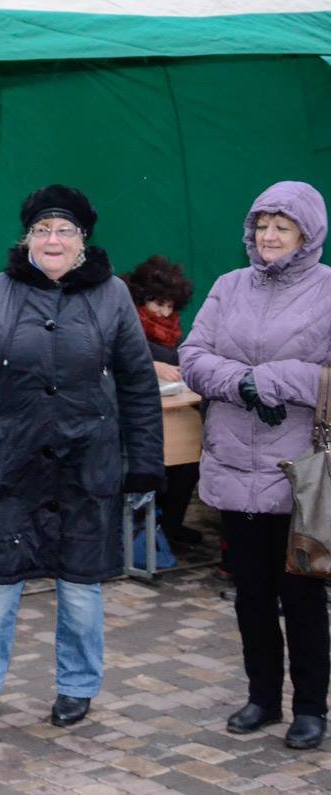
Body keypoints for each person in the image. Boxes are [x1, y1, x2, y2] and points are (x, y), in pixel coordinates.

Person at [0, 184, 163, 730]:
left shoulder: (113, 297)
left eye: (65, 230)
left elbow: (138, 385)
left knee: (80, 590)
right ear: (27, 236)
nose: (53, 240)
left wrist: (144, 462)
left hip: (86, 468)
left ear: (83, 240)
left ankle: (77, 686)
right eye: (43, 229)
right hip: (7, 467)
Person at [179, 181, 331, 751]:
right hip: (232, 468)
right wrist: (242, 384)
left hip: (297, 475)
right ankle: (263, 697)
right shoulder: (228, 285)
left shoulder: (327, 291)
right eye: (262, 224)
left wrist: (268, 379)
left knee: (303, 596)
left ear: (306, 234)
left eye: (282, 226)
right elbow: (193, 359)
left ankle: (311, 707)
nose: (269, 235)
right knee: (250, 594)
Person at [121, 256, 201, 548]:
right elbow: (112, 355)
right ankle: (144, 533)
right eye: (159, 304)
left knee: (189, 464)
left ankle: (169, 527)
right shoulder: (125, 323)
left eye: (170, 306)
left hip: (171, 411)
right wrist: (151, 366)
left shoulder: (172, 332)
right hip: (133, 419)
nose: (165, 313)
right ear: (142, 299)